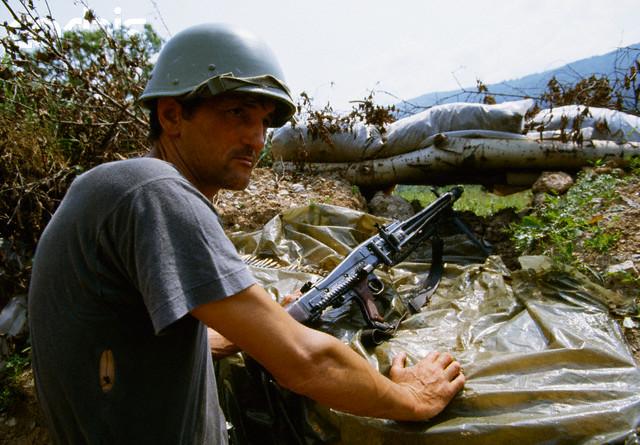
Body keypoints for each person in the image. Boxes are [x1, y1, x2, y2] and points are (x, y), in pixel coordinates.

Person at [28, 23, 465, 444]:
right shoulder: (157, 192)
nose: (257, 139)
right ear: (171, 114)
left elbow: (149, 342)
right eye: (237, 113)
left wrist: (265, 324)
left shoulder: (115, 188)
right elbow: (305, 363)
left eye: (263, 122)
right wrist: (412, 397)